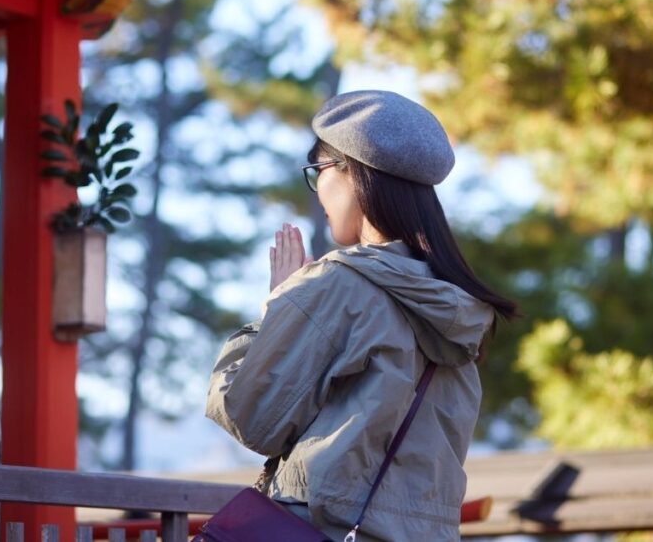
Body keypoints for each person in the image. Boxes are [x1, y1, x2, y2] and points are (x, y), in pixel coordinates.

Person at [206, 90, 518, 541]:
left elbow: (249, 416)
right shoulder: (459, 308)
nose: (318, 194)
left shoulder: (339, 286)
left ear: (351, 172)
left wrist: (277, 306)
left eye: (317, 172)